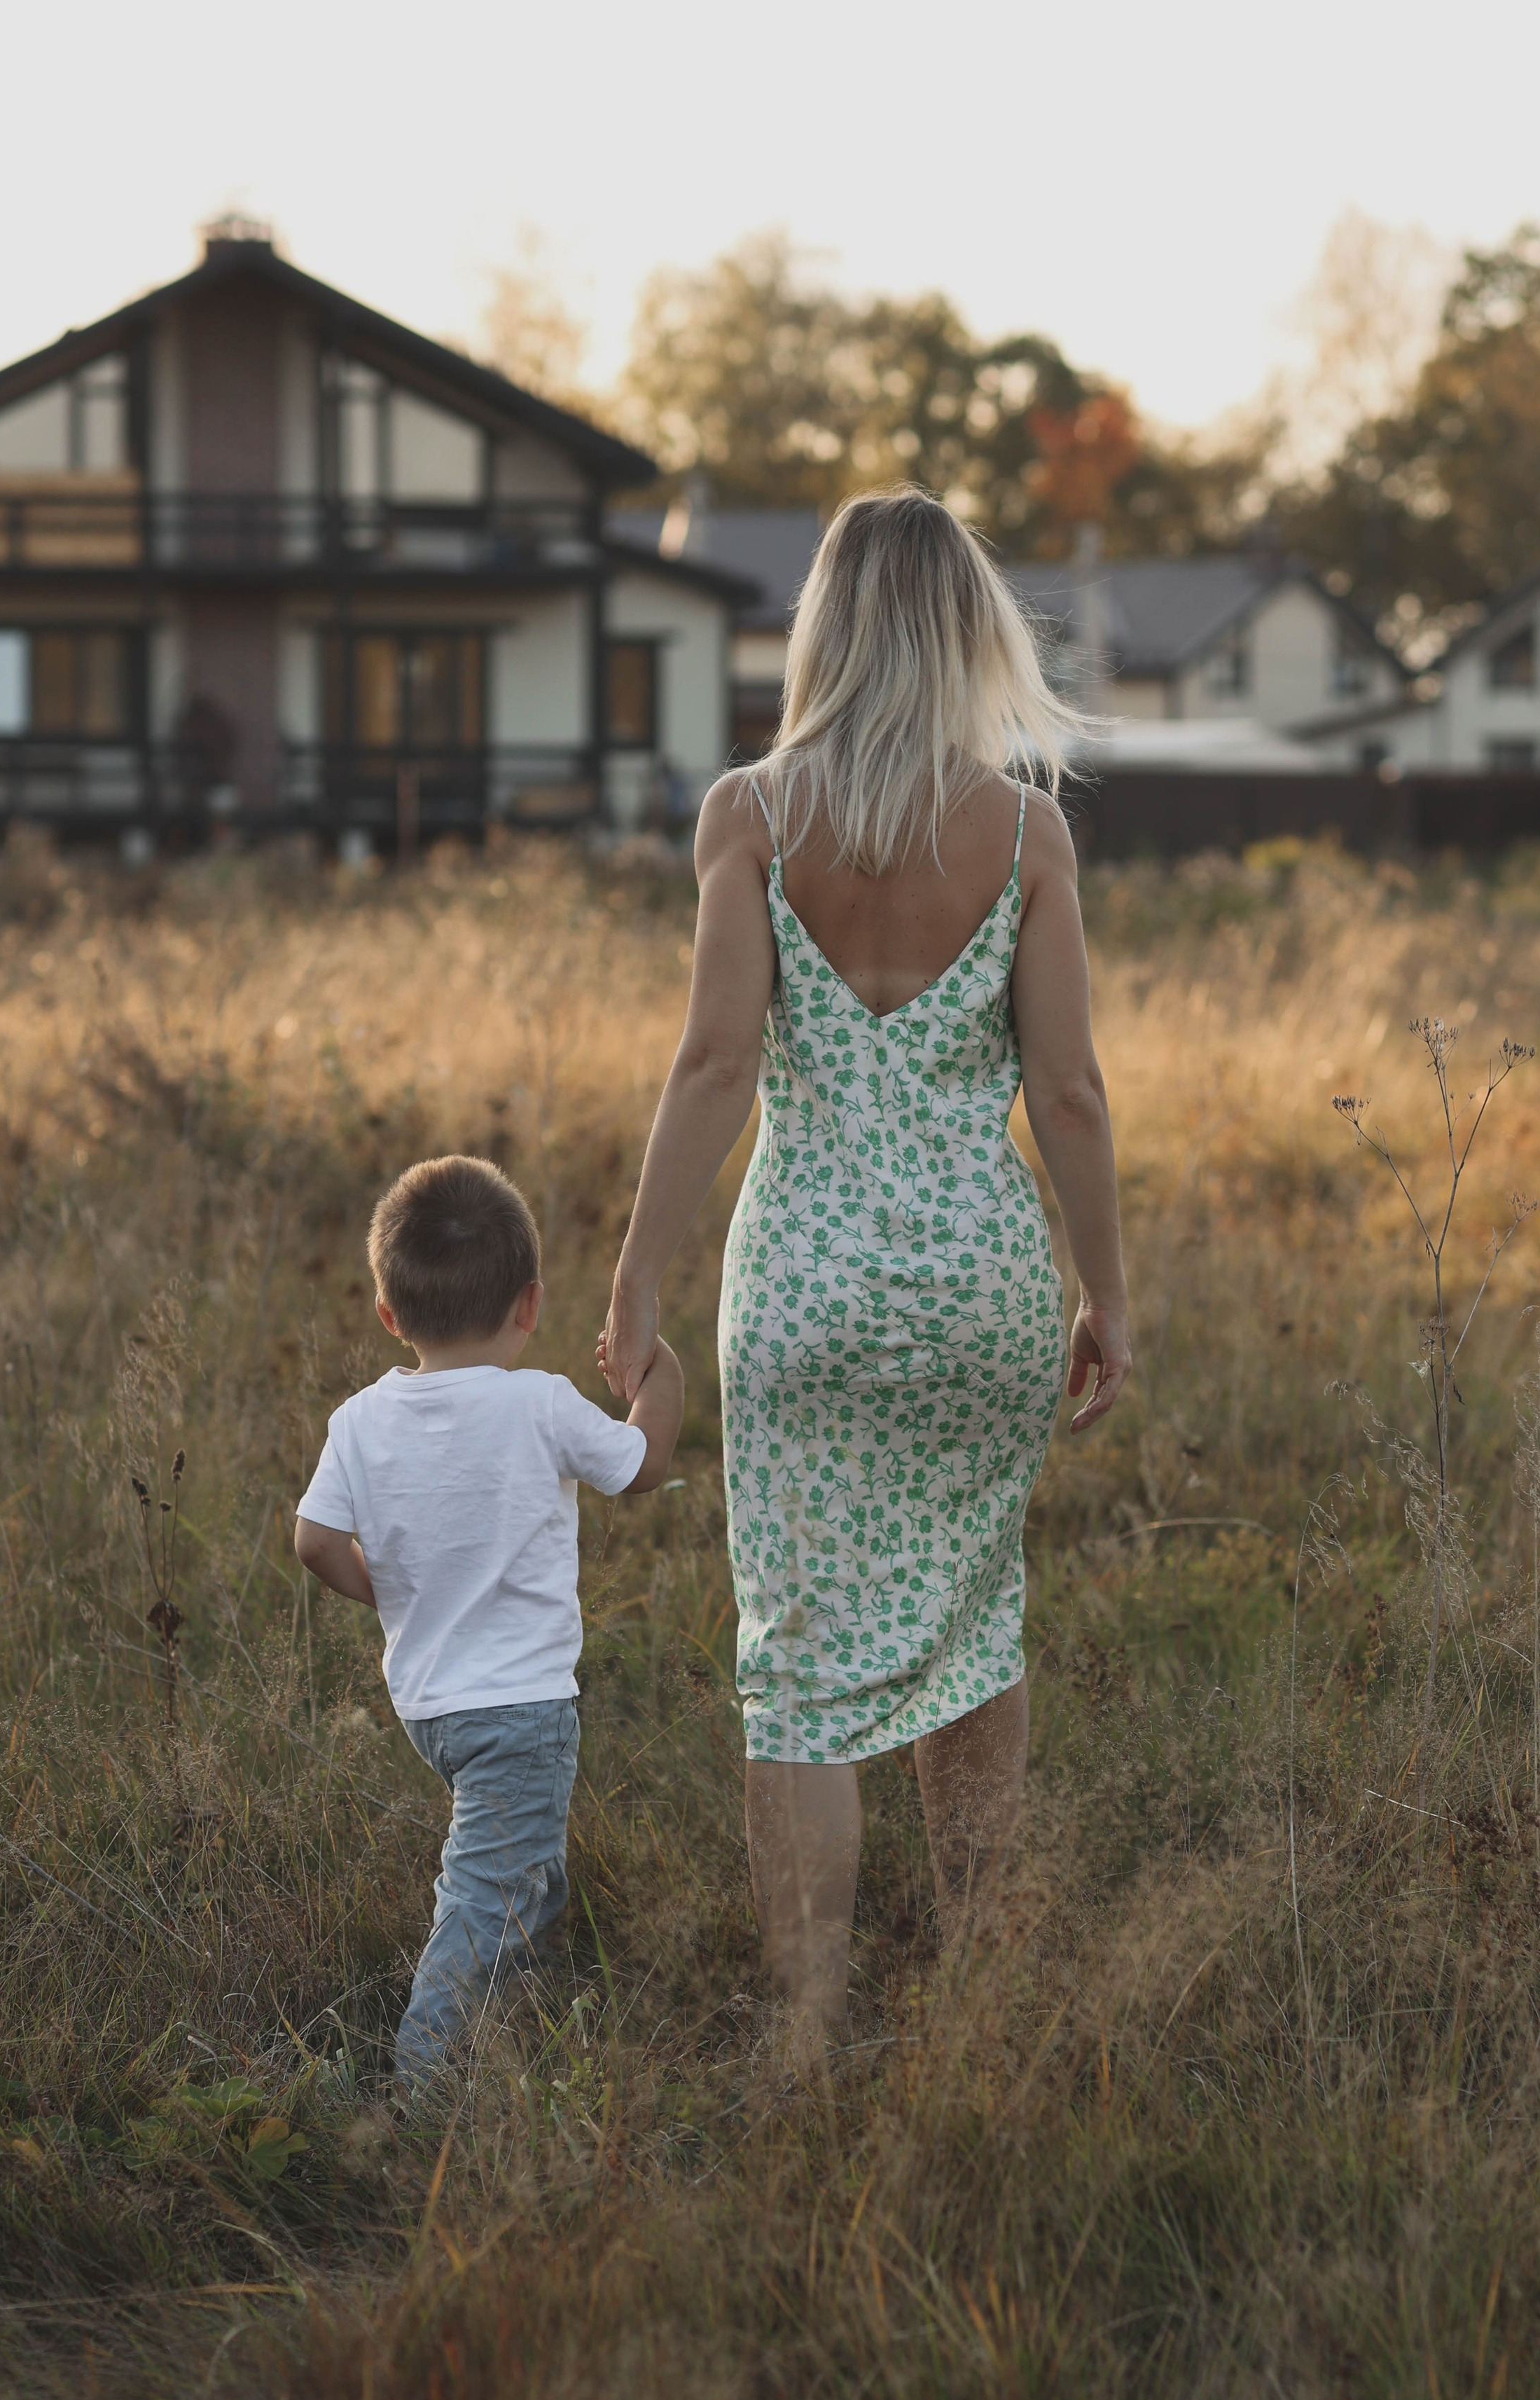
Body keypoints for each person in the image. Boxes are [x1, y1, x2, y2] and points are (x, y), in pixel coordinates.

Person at [597, 486, 1128, 2048]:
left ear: (821, 628)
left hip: (803, 1294)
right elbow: (1072, 1093)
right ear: (969, 630)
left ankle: (809, 2034)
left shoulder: (750, 818)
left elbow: (709, 1066)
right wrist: (1104, 1293)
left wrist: (632, 1283)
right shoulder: (1025, 833)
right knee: (973, 1622)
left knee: (800, 1669)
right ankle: (977, 2000)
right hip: (979, 1293)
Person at [294, 1154, 683, 2081]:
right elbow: (642, 1466)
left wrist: (391, 1592)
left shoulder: (359, 1420)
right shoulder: (540, 1403)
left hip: (430, 1704)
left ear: (391, 1314)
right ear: (531, 1305)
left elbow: (312, 1539)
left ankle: (519, 2014)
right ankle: (428, 2081)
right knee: (484, 1892)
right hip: (520, 1708)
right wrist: (655, 1373)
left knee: (523, 1866)